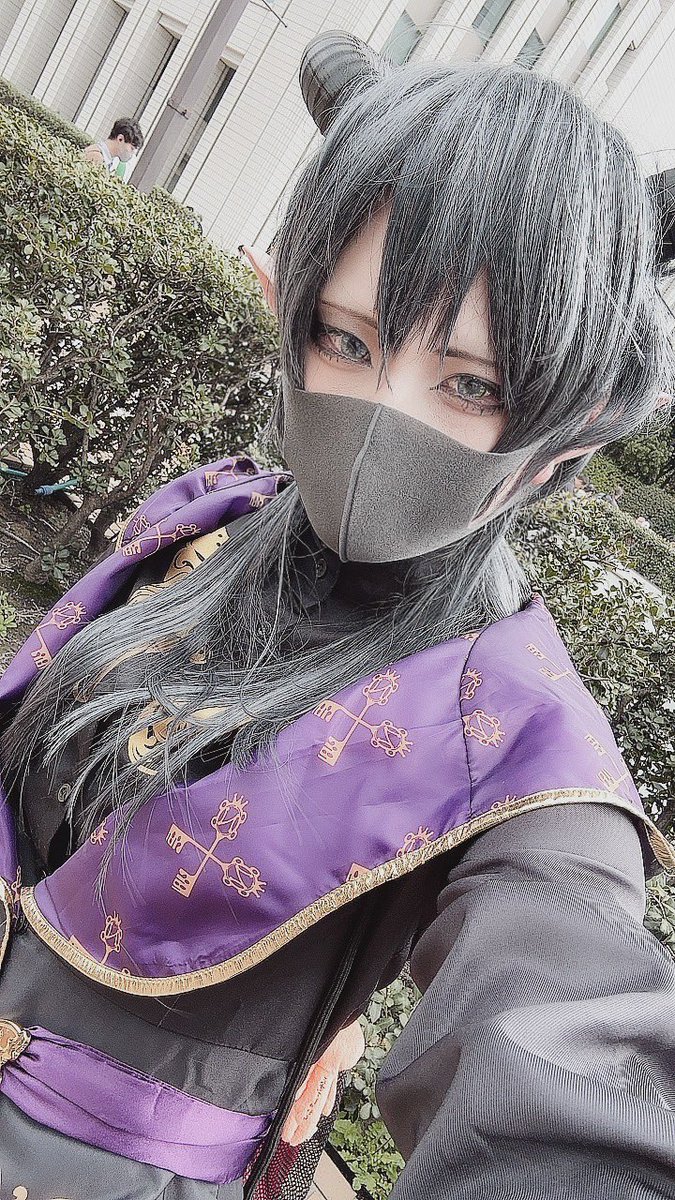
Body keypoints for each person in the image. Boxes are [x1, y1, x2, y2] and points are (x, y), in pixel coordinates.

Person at [0, 28, 674, 1200]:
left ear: (567, 431)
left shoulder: (527, 750)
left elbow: (564, 1062)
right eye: (346, 340)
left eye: (471, 384)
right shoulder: (210, 516)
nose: (379, 419)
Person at [83, 116, 144, 181]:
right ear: (120, 139)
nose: (132, 153)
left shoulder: (107, 159)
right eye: (132, 148)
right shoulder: (96, 157)